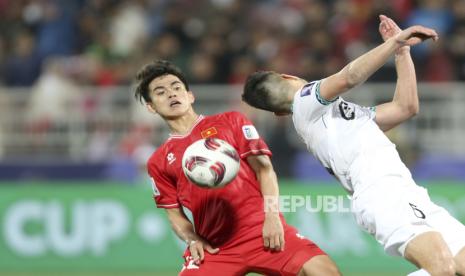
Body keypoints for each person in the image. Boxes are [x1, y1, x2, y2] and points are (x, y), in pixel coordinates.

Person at [242, 15, 465, 276]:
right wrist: (394, 42)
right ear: (288, 75)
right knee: (442, 269)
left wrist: (402, 53)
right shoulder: (304, 101)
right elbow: (349, 77)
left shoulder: (338, 118)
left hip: (406, 191)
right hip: (381, 193)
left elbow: (405, 107)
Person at [134, 60, 341, 275]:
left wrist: (272, 218)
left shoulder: (231, 121)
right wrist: (192, 239)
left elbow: (264, 170)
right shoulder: (157, 161)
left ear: (190, 95)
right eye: (160, 92)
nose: (171, 94)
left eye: (176, 87)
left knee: (325, 272)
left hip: (262, 230)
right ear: (151, 107)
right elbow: (174, 215)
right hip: (215, 247)